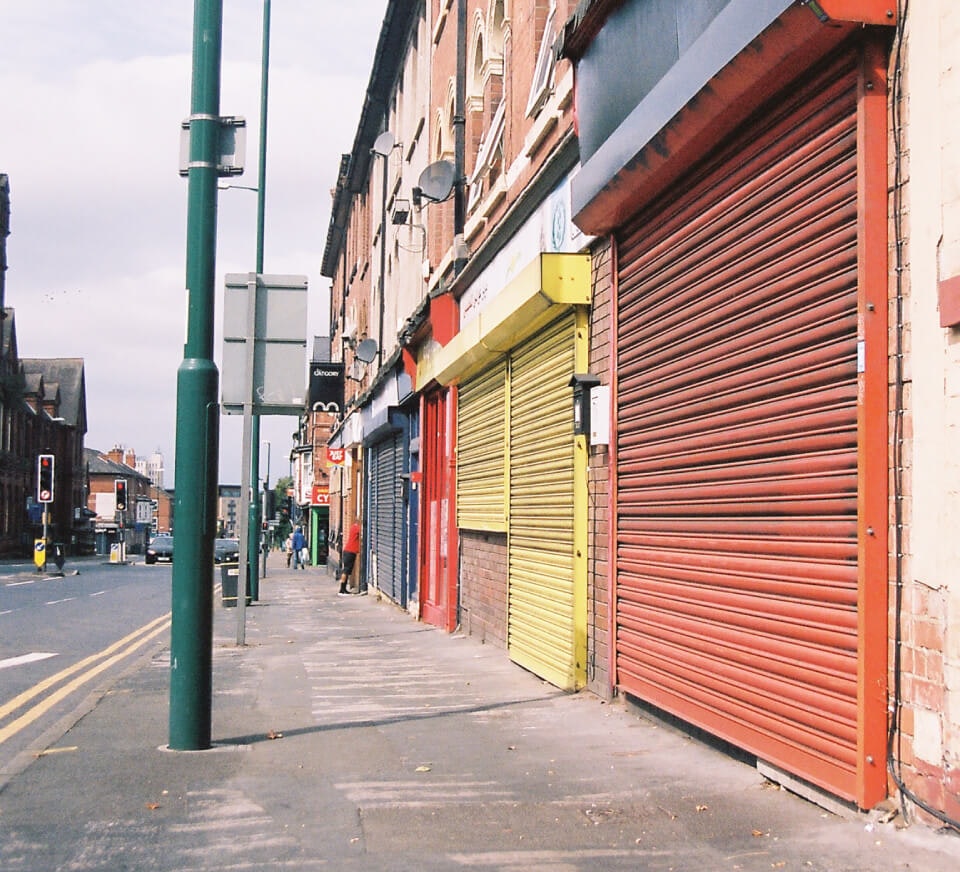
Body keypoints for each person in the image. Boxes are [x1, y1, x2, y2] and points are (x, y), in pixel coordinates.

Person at [338, 521, 361, 595]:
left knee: (347, 571)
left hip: (349, 551)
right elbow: (362, 531)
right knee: (346, 571)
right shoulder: (357, 528)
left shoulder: (352, 527)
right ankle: (341, 589)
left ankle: (344, 589)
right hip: (350, 551)